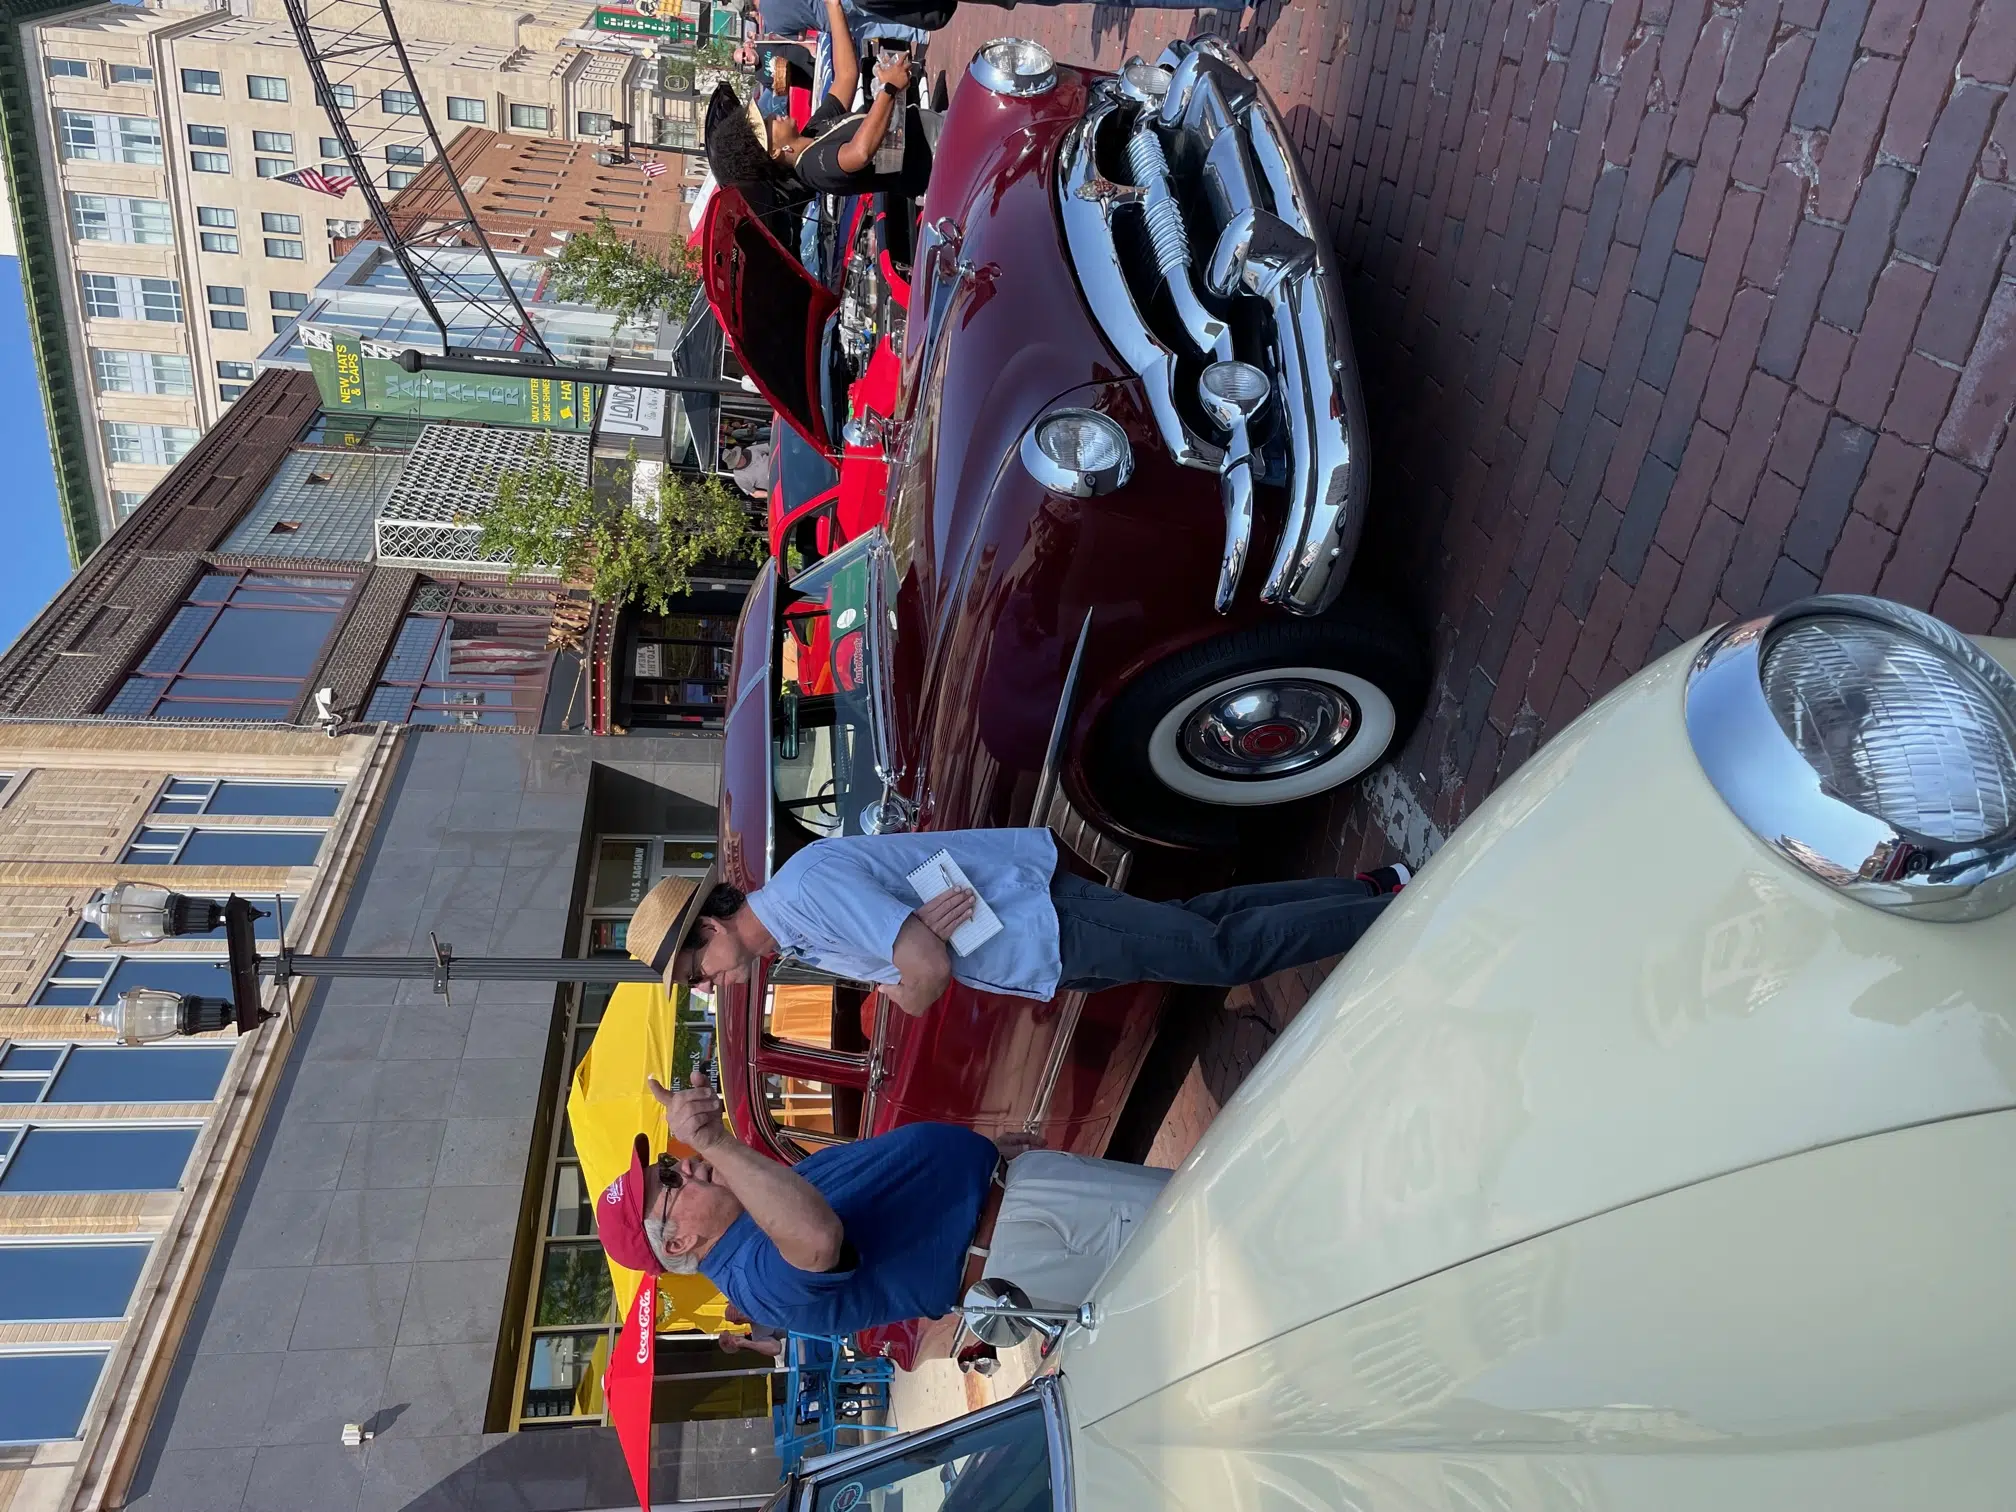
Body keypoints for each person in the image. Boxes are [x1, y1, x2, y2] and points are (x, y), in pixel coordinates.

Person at [597, 1069, 1176, 1336]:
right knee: (1216, 1230)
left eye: (669, 1164)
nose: (687, 1165)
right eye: (670, 1182)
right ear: (678, 1244)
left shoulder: (751, 1220)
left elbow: (870, 1188)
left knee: (1208, 1212)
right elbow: (819, 1241)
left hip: (1018, 1208)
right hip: (1026, 1242)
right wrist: (715, 1140)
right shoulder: (752, 1282)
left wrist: (974, 1161)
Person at [622, 831, 1406, 1018]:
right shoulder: (796, 927)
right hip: (1038, 947)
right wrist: (908, 958)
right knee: (1202, 929)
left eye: (701, 973)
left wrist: (905, 974)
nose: (715, 986)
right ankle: (1368, 891)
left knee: (1220, 952)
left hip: (1043, 924)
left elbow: (923, 973)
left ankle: (1384, 910)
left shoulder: (802, 899)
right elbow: (913, 958)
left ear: (708, 930)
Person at [760, 3, 929, 198]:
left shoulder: (812, 131)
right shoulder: (811, 168)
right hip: (928, 163)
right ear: (775, 152)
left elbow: (846, 76)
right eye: (767, 124)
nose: (773, 116)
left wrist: (833, 7)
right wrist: (888, 89)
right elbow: (859, 153)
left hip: (922, 128)